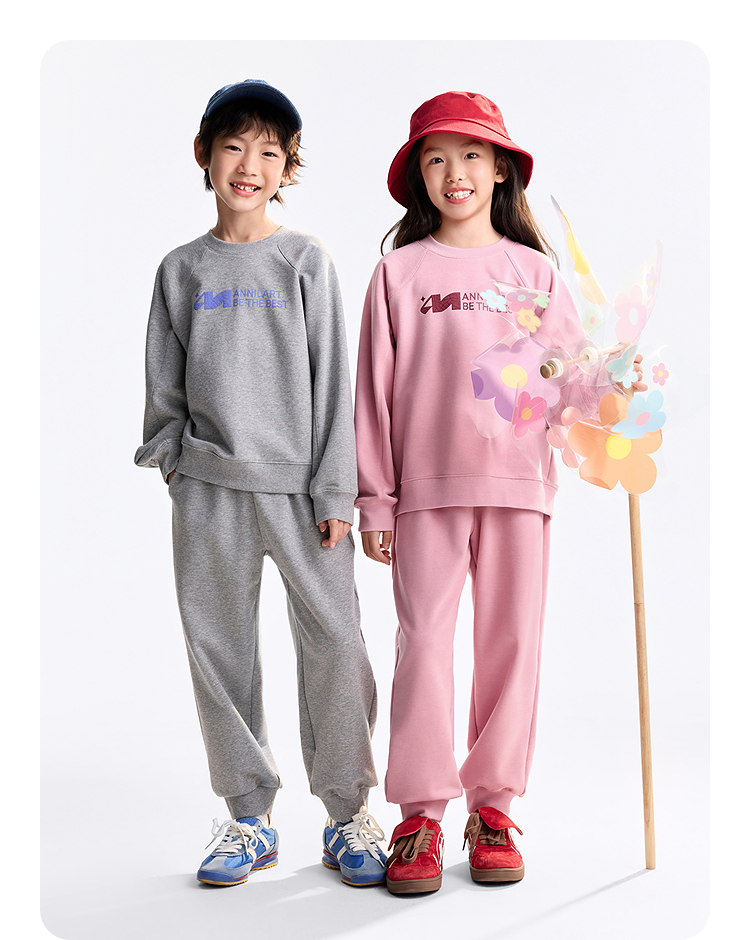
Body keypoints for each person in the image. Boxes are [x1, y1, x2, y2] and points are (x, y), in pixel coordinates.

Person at [354, 90, 645, 895]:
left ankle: (493, 809)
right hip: (425, 490)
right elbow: (370, 394)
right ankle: (419, 815)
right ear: (419, 175)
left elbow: (573, 384)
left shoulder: (534, 272)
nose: (456, 173)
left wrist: (615, 389)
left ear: (500, 171)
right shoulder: (397, 274)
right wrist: (375, 500)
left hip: (519, 485)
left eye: (472, 156)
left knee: (512, 644)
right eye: (437, 158)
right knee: (424, 646)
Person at [134, 79, 386, 888]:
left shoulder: (305, 260)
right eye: (234, 146)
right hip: (208, 489)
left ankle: (348, 815)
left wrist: (336, 492)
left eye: (269, 152)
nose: (250, 165)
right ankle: (249, 818)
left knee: (336, 643)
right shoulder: (181, 269)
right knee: (219, 650)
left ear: (288, 168)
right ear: (204, 154)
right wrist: (173, 461)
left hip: (304, 494)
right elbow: (163, 385)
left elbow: (335, 382)